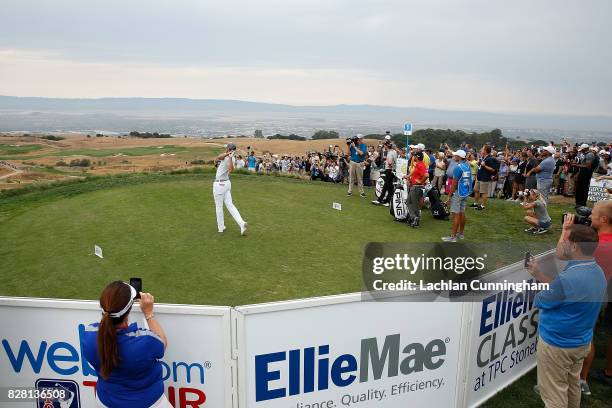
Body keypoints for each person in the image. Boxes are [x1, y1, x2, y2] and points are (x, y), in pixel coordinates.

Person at [528, 223, 606, 408]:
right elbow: (565, 292)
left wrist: (540, 280)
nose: (563, 244)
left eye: (566, 240)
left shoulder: (569, 278)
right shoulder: (597, 271)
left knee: (554, 395)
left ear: (574, 246)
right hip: (581, 342)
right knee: (572, 386)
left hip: (558, 345)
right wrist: (539, 273)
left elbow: (541, 300)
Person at [81, 282, 170, 408]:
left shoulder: (88, 335)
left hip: (105, 402)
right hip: (149, 403)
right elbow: (162, 342)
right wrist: (149, 313)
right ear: (128, 311)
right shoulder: (144, 342)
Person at [580, 200, 612, 394]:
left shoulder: (601, 246)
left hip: (589, 296)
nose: (589, 215)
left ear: (604, 219)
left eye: (593, 213)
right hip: (599, 294)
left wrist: (567, 233)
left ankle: (580, 379)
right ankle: (581, 378)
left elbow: (567, 256)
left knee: (585, 338)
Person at [213, 143, 247, 235]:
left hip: (220, 184)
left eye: (227, 148)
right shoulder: (228, 156)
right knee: (230, 205)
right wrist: (229, 155)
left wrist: (230, 157)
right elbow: (217, 158)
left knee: (219, 206)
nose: (226, 149)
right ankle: (241, 223)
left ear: (229, 149)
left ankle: (221, 228)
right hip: (227, 184)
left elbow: (231, 169)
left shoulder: (230, 158)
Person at [442, 150, 472, 242]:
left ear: (459, 157)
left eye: (455, 155)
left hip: (458, 192)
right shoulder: (467, 166)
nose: (453, 156)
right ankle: (461, 234)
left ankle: (453, 237)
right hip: (465, 192)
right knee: (462, 213)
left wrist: (449, 196)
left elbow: (454, 184)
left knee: (456, 214)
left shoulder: (458, 168)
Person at [404, 151, 428, 228]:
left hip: (417, 187)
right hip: (414, 186)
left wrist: (420, 182)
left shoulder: (421, 165)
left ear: (417, 157)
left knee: (414, 205)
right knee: (408, 202)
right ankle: (414, 218)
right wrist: (408, 176)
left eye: (414, 156)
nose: (413, 157)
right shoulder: (418, 164)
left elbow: (426, 175)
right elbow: (414, 173)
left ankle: (415, 219)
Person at [472, 145, 499, 210]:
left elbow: (493, 169)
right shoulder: (484, 157)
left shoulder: (490, 158)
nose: (481, 150)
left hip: (484, 177)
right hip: (479, 177)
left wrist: (484, 166)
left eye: (482, 149)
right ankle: (475, 203)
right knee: (476, 190)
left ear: (485, 151)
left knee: (483, 192)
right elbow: (481, 166)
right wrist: (479, 164)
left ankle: (482, 206)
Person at [372, 140, 397, 206]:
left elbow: (390, 162)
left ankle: (388, 201)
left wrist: (387, 161)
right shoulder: (394, 151)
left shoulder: (390, 153)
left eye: (384, 145)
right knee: (386, 186)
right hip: (391, 170)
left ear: (386, 146)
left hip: (389, 170)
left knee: (389, 187)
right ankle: (380, 200)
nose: (384, 146)